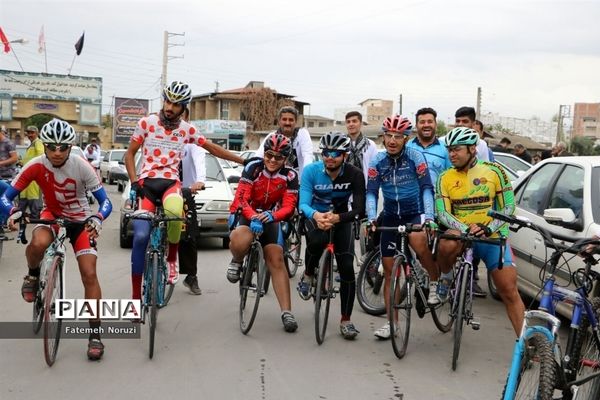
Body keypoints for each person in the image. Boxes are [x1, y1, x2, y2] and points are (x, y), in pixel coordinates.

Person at [0, 118, 113, 360]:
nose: (57, 152)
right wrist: (13, 212)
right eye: (51, 147)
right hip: (51, 214)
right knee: (38, 243)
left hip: (81, 221)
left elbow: (105, 201)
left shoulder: (83, 166)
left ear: (71, 147)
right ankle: (32, 275)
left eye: (63, 147)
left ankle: (95, 335)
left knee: (89, 274)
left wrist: (98, 218)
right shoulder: (35, 165)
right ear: (45, 146)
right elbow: (5, 197)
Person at [124, 81, 243, 302]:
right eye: (168, 101)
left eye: (176, 104)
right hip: (147, 183)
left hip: (170, 183)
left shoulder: (187, 130)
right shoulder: (146, 122)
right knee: (140, 237)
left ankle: (171, 260)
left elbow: (212, 148)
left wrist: (242, 159)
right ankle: (134, 298)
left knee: (175, 209)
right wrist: (133, 181)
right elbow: (129, 154)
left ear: (183, 107)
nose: (170, 107)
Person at [435, 127, 525, 335]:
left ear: (472, 149)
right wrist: (467, 228)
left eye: (457, 150)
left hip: (491, 236)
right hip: (463, 234)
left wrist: (488, 227)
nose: (452, 154)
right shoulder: (445, 177)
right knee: (446, 242)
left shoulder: (495, 171)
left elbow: (508, 208)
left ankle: (525, 344)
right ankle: (446, 276)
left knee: (509, 292)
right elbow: (443, 213)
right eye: (449, 150)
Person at [366, 115, 438, 340]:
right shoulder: (377, 161)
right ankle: (392, 324)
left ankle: (433, 281)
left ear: (406, 138)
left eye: (398, 136)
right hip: (390, 216)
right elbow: (370, 192)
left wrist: (429, 218)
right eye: (389, 135)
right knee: (389, 272)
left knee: (418, 242)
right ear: (383, 136)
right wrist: (370, 218)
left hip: (414, 212)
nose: (393, 140)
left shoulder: (415, 156)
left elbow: (427, 188)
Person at [226, 134, 299, 332]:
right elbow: (242, 198)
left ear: (286, 158)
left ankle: (287, 313)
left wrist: (272, 216)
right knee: (241, 239)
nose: (273, 160)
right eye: (269, 155)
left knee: (276, 260)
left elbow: (289, 207)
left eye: (278, 157)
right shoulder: (253, 168)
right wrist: (254, 217)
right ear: (264, 153)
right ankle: (237, 260)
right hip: (248, 212)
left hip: (271, 216)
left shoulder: (290, 176)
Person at [298, 132, 365, 340]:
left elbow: (360, 209)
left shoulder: (354, 174)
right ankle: (309, 273)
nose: (330, 157)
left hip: (341, 218)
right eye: (326, 152)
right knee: (316, 241)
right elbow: (303, 204)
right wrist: (317, 215)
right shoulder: (311, 171)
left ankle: (346, 320)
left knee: (346, 267)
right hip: (316, 215)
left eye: (336, 153)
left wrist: (338, 218)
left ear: (344, 155)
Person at [254, 106, 313, 179]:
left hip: (299, 182)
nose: (287, 123)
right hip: (275, 182)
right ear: (279, 121)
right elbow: (258, 157)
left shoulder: (302, 134)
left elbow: (308, 157)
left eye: (291, 120)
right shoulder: (272, 136)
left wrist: (306, 179)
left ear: (296, 121)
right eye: (284, 119)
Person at [406, 107, 451, 185]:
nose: (426, 125)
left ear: (435, 124)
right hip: (411, 196)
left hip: (437, 197)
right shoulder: (406, 147)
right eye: (422, 122)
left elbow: (451, 176)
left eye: (430, 121)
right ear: (416, 125)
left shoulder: (446, 148)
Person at [18, 126, 45, 219]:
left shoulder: (38, 142)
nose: (30, 135)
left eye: (32, 133)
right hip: (28, 177)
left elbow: (41, 156)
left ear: (37, 134)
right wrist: (22, 163)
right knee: (25, 198)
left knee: (34, 199)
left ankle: (36, 219)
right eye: (28, 133)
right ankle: (21, 217)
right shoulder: (32, 144)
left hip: (34, 178)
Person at [344, 111, 378, 183]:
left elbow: (374, 168)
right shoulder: (341, 144)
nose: (351, 124)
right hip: (343, 190)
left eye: (354, 121)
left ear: (361, 124)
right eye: (348, 122)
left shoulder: (370, 145)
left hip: (364, 188)